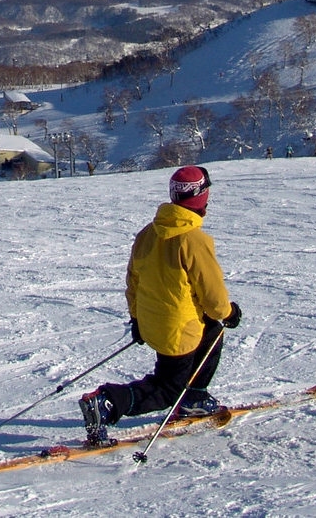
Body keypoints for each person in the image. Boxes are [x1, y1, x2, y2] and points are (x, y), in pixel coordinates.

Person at [79, 165, 241, 445]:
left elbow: (134, 282)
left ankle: (195, 397)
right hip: (178, 331)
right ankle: (108, 402)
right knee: (167, 389)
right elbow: (214, 298)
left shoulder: (148, 234)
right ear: (201, 197)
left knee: (212, 331)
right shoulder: (193, 240)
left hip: (151, 322)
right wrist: (230, 313)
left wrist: (137, 320)